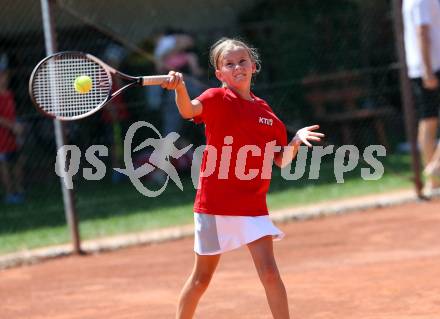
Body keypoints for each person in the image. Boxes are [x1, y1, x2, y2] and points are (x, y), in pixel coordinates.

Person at [161, 37, 323, 319]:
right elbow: (188, 110)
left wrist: (295, 141)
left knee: (270, 273)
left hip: (251, 205)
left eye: (242, 61)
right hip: (215, 204)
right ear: (219, 74)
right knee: (201, 279)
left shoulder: (266, 113)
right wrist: (180, 88)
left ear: (253, 66)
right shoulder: (215, 98)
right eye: (229, 63)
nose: (237, 67)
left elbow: (282, 161)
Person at [403, 0, 440, 193]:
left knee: (429, 118)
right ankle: (434, 171)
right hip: (432, 66)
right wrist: (428, 70)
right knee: (429, 119)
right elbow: (421, 32)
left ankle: (434, 178)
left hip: (425, 67)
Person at [0, 54, 25, 204]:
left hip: (12, 135)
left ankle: (19, 190)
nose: (4, 78)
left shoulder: (9, 94)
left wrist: (18, 127)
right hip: (2, 136)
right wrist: (12, 126)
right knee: (5, 165)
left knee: (17, 161)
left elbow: (12, 114)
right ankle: (10, 194)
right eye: (2, 76)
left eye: (5, 75)